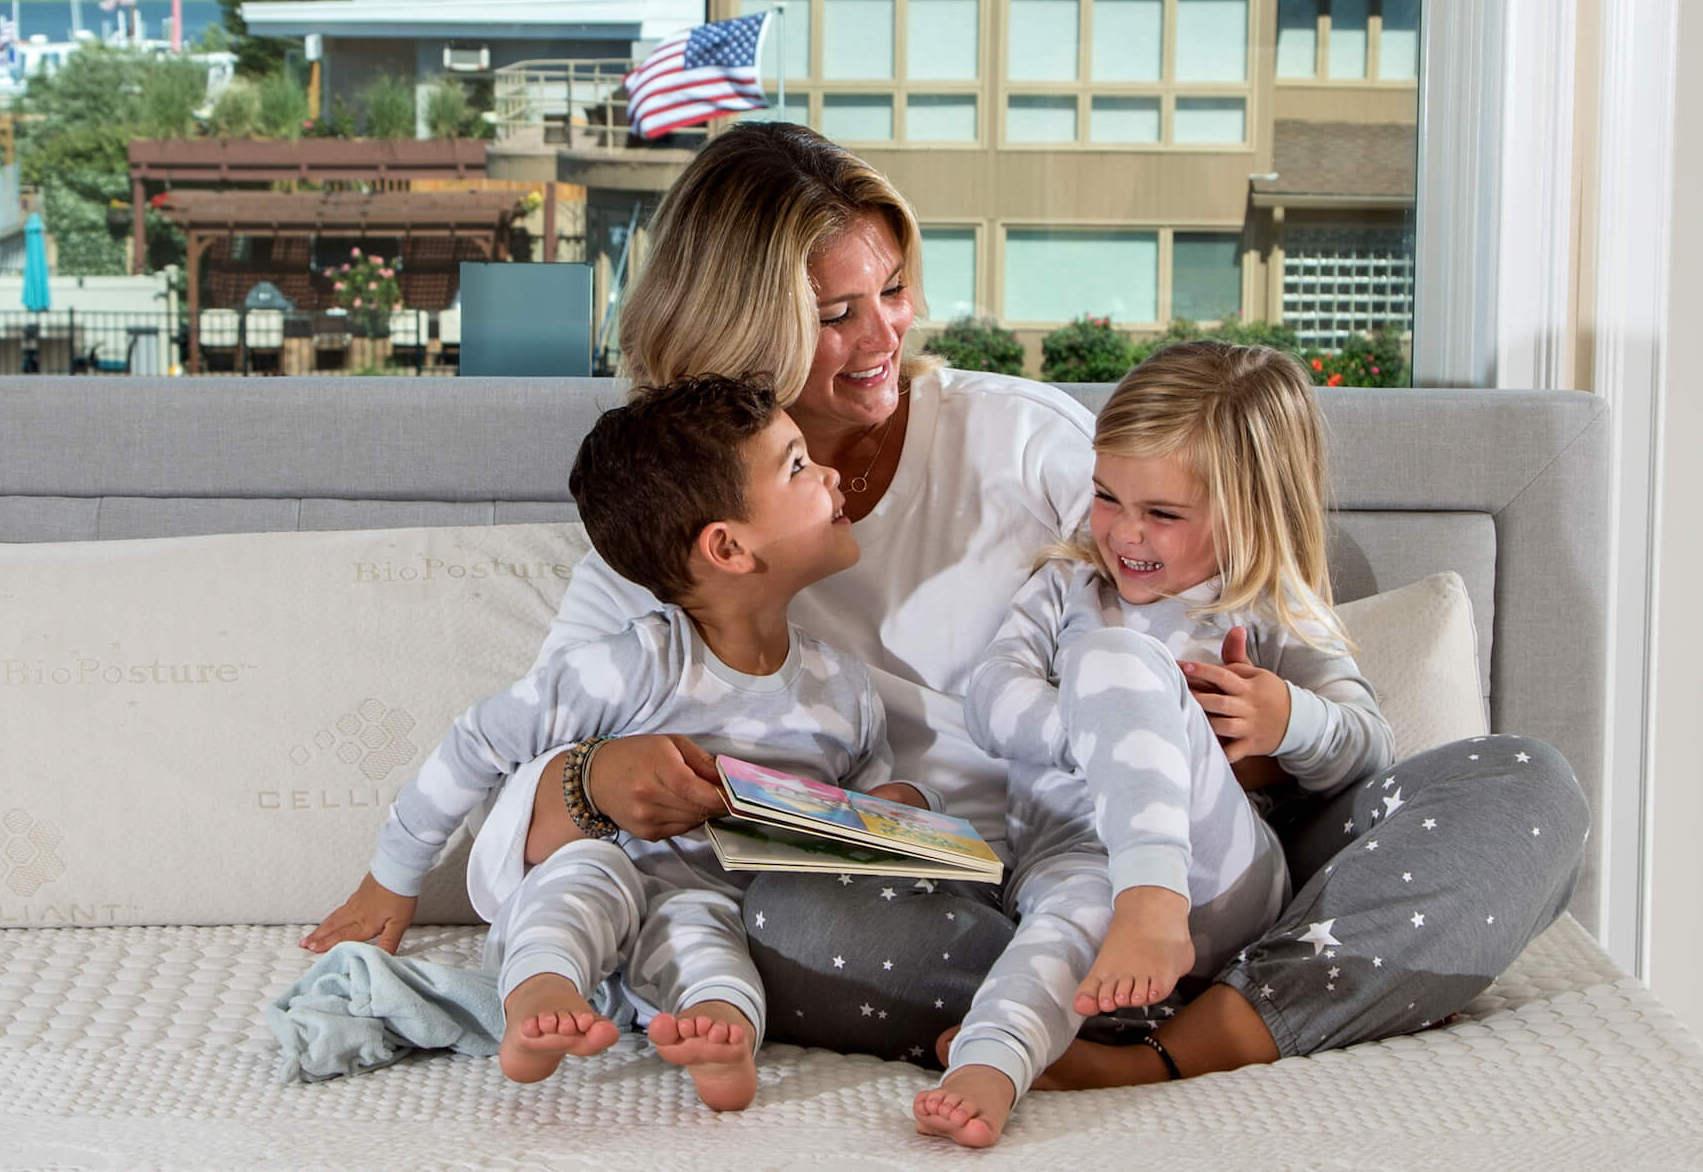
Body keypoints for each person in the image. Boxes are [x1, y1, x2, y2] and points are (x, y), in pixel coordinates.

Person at [305, 122, 1588, 1136]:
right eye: (838, 311)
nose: (886, 340)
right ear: (739, 327)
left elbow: (1247, 585)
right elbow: (513, 857)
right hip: (962, 904)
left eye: (895, 291)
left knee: (1520, 786)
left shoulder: (1021, 441)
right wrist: (588, 782)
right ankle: (1112, 1003)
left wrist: (1267, 733)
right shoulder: (669, 527)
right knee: (752, 911)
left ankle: (1204, 1031)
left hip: (1207, 851)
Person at [312, 373, 934, 1111]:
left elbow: (868, 790)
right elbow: (477, 742)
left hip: (711, 902)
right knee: (582, 877)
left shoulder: (842, 687)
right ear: (728, 547)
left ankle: (717, 1036)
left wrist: (897, 806)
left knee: (707, 935)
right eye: (798, 465)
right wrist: (392, 877)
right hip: (601, 880)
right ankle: (540, 997)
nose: (830, 473)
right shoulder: (632, 664)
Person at [916, 341, 1395, 1146]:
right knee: (1058, 929)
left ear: (1249, 511)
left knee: (1113, 659)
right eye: (1106, 498)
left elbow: (1369, 746)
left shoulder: (1272, 607)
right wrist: (1115, 728)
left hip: (1216, 881)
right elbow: (989, 702)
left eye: (1162, 514)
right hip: (1074, 860)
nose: (1123, 533)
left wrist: (1285, 719)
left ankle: (1153, 896)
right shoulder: (1066, 589)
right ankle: (990, 1064)